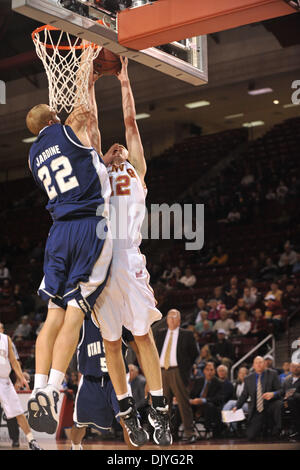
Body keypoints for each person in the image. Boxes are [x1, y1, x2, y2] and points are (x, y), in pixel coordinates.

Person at [26, 46, 113, 435]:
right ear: (54, 117)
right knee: (76, 311)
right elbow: (83, 109)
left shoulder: (32, 156)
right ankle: (58, 384)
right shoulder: (68, 129)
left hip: (57, 233)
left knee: (52, 316)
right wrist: (85, 61)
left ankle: (40, 386)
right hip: (87, 226)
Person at [94, 57, 171, 447]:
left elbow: (131, 124)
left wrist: (125, 81)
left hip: (130, 254)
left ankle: (159, 412)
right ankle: (128, 412)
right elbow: (89, 128)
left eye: (125, 148)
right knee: (110, 341)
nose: (120, 147)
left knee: (142, 336)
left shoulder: (137, 169)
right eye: (114, 150)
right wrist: (88, 83)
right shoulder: (97, 168)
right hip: (101, 260)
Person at [68, 315, 138, 450]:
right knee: (79, 424)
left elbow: (140, 349)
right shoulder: (82, 321)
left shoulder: (121, 320)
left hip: (117, 380)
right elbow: (65, 346)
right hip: (90, 380)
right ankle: (75, 446)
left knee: (129, 422)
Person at [153, 309, 198, 443]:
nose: (171, 320)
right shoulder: (160, 334)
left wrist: (186, 368)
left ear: (179, 320)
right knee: (164, 406)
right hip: (162, 372)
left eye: (174, 317)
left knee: (184, 404)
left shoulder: (187, 334)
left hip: (178, 372)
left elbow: (194, 353)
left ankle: (190, 433)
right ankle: (167, 434)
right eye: (169, 317)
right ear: (166, 320)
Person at [0, 326, 42, 449]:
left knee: (18, 411)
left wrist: (21, 377)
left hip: (4, 380)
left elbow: (13, 360)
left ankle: (31, 440)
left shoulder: (6, 339)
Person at [233, 356, 282, 441]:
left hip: (270, 405)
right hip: (257, 409)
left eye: (261, 362)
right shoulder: (248, 378)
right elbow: (244, 395)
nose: (258, 365)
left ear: (264, 364)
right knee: (250, 436)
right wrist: (237, 406)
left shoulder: (272, 374)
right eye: (256, 363)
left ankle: (277, 429)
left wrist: (273, 394)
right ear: (253, 365)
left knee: (278, 404)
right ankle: (262, 428)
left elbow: (281, 390)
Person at [189, 361, 223, 437]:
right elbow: (191, 394)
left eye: (211, 370)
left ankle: (208, 430)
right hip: (195, 405)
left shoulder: (218, 383)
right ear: (204, 371)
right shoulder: (198, 381)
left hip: (209, 407)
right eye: (207, 370)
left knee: (209, 406)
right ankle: (174, 430)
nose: (209, 372)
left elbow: (217, 399)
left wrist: (203, 401)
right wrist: (191, 400)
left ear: (215, 371)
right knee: (181, 406)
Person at [279, 361, 300, 442]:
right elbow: (282, 392)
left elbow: (292, 394)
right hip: (286, 403)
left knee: (291, 401)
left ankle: (296, 429)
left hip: (297, 403)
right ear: (290, 368)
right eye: (293, 367)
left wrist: (293, 394)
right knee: (278, 404)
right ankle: (280, 430)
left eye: (298, 367)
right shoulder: (287, 380)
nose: (295, 369)